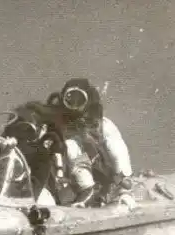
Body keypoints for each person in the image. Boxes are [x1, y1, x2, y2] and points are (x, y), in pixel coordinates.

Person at [46, 78, 135, 208]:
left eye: (79, 100)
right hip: (76, 178)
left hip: (107, 173)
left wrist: (123, 175)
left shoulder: (103, 126)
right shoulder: (58, 126)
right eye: (70, 100)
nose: (75, 105)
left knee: (114, 147)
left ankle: (122, 189)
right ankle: (86, 190)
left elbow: (118, 152)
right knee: (69, 146)